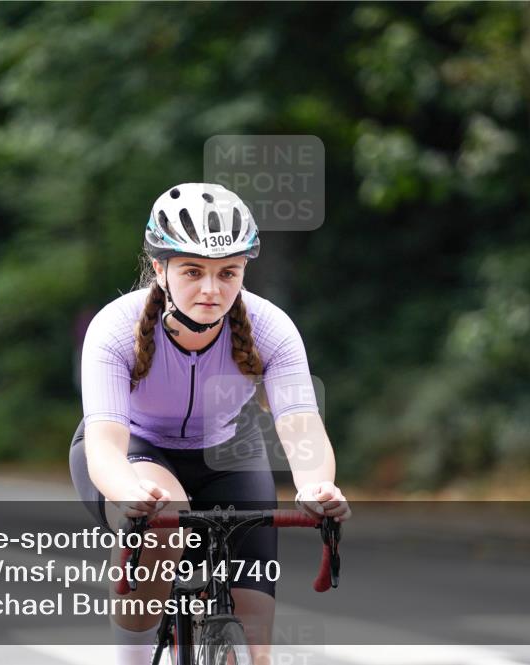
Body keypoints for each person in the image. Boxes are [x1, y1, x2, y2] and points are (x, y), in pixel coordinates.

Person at [70, 183, 351, 665]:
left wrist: (317, 487)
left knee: (257, 648)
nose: (211, 289)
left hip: (226, 454)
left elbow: (301, 427)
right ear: (159, 268)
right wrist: (129, 492)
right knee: (166, 519)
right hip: (138, 451)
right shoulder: (115, 327)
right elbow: (105, 445)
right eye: (193, 271)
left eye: (228, 273)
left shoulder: (271, 328)